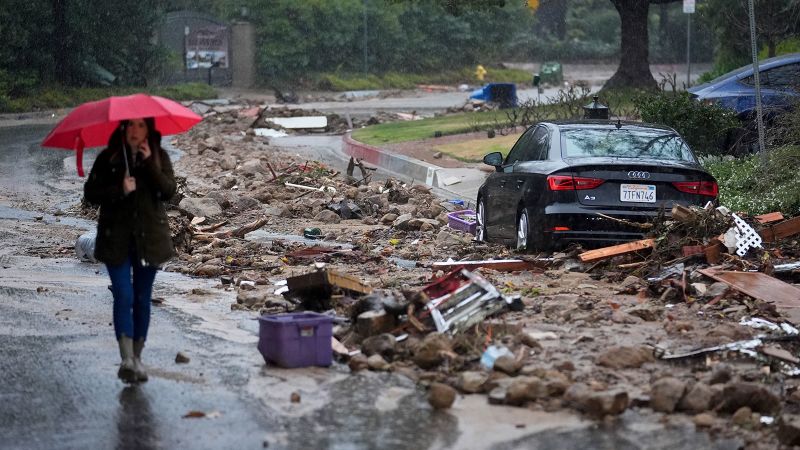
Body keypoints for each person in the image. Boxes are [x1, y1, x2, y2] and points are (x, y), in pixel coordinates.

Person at [84, 117, 176, 383]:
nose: (135, 131)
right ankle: (126, 358)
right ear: (123, 128)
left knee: (141, 298)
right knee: (123, 295)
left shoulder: (159, 156)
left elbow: (169, 191)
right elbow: (90, 194)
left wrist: (149, 165)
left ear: (149, 130)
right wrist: (119, 189)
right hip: (116, 240)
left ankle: (137, 359)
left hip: (150, 241)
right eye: (130, 125)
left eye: (141, 126)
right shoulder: (109, 158)